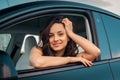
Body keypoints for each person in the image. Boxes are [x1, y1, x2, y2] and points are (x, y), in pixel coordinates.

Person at [29, 16, 100, 68]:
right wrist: (69, 59)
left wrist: (70, 33)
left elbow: (95, 51)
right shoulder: (38, 50)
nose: (56, 39)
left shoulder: (75, 56)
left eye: (60, 34)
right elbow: (37, 62)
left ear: (68, 37)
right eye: (51, 35)